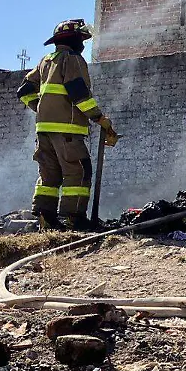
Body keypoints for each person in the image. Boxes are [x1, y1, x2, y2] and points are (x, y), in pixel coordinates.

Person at [16, 19, 117, 230]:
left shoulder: (45, 61)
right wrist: (99, 118)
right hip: (67, 131)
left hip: (43, 131)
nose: (83, 43)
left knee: (48, 175)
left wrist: (41, 108)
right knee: (78, 172)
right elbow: (78, 93)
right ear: (73, 39)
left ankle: (46, 218)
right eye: (81, 38)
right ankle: (74, 219)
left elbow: (24, 91)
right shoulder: (72, 59)